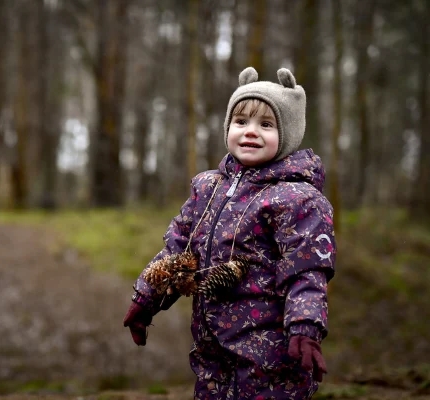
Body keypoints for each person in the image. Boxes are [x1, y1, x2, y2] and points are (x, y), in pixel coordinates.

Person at [123, 67, 334, 399]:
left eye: (266, 124)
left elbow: (306, 272)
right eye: (241, 122)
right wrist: (146, 296)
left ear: (289, 133)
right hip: (212, 352)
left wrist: (305, 328)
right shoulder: (208, 187)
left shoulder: (299, 200)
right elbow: (177, 249)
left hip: (271, 355)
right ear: (228, 127)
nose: (251, 132)